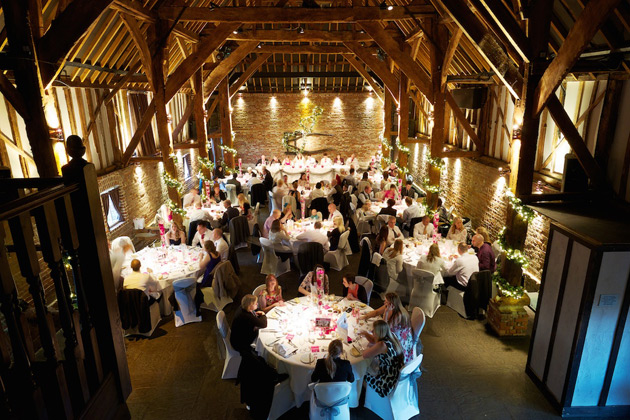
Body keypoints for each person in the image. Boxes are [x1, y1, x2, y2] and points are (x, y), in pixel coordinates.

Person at [361, 293, 413, 364]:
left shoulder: (398, 315)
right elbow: (376, 312)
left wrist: (386, 312)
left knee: (376, 339)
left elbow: (385, 329)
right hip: (388, 328)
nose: (384, 302)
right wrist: (365, 316)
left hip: (398, 337)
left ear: (392, 304)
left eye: (386, 301)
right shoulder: (388, 306)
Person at [358, 320, 404, 397]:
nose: (372, 331)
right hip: (395, 374)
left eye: (374, 331)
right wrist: (366, 334)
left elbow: (365, 355)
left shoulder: (382, 345)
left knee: (361, 372)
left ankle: (366, 396)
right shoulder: (391, 336)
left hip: (386, 381)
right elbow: (374, 340)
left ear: (379, 332)